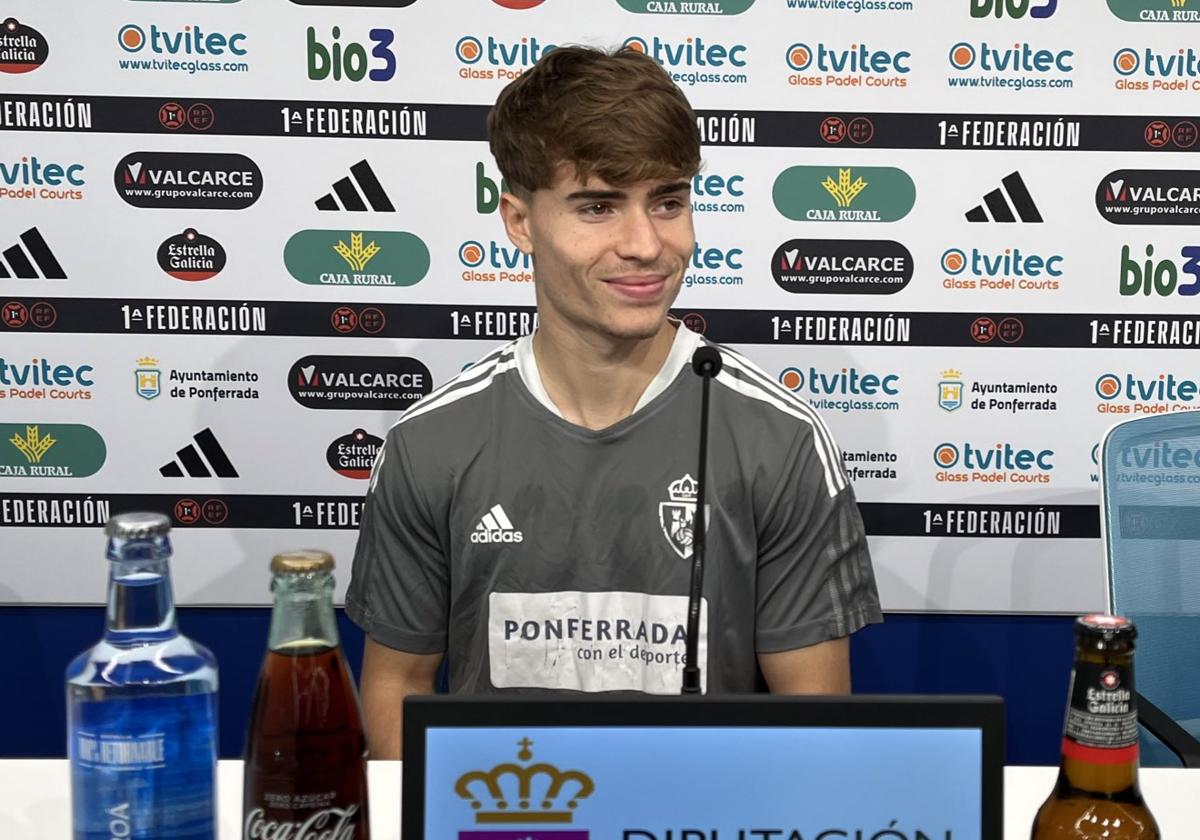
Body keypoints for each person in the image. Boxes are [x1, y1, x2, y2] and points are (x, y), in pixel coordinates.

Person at [345, 45, 882, 760]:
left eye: (668, 201)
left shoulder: (779, 440)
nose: (646, 244)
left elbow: (816, 733)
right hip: (504, 821)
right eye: (598, 206)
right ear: (519, 221)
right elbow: (396, 689)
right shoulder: (431, 442)